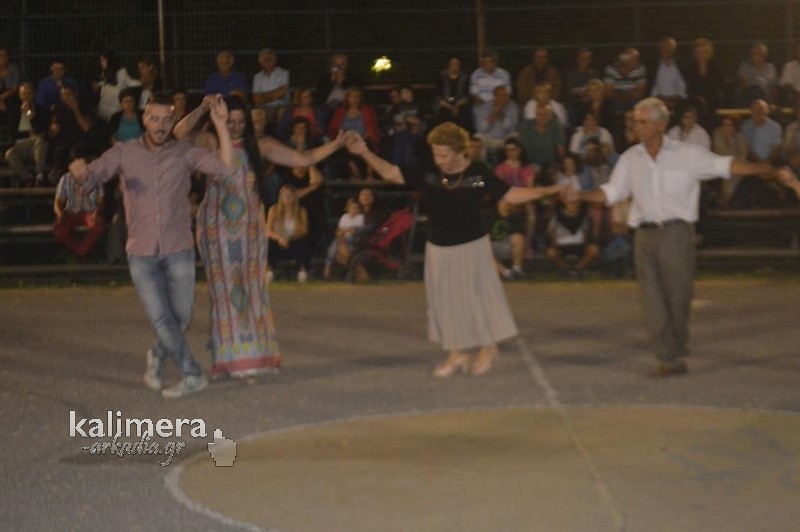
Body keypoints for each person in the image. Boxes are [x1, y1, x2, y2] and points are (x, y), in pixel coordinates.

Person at [577, 97, 796, 378]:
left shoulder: (687, 154)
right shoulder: (630, 158)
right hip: (644, 236)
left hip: (676, 234)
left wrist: (769, 170)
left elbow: (727, 165)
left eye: (642, 121)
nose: (635, 126)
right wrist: (581, 196)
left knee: (678, 297)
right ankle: (668, 358)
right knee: (652, 302)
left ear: (660, 125)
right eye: (634, 121)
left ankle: (677, 344)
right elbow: (612, 191)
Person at [346, 122, 563, 377]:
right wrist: (364, 152)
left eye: (444, 155)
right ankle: (457, 353)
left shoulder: (477, 174)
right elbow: (392, 173)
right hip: (439, 248)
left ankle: (488, 347)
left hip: (473, 245)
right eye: (436, 154)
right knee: (444, 303)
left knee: (479, 299)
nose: (439, 161)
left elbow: (511, 194)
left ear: (461, 151)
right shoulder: (428, 171)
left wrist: (548, 190)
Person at [68, 92, 235, 398]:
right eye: (154, 119)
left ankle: (157, 355)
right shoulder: (124, 151)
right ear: (144, 119)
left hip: (179, 248)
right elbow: (92, 178)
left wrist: (221, 124)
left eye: (166, 120)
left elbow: (225, 169)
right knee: (161, 318)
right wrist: (81, 174)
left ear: (174, 120)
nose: (160, 126)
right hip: (141, 253)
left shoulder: (185, 152)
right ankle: (191, 374)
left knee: (180, 317)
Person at [173, 96, 351, 375]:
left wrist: (336, 144)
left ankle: (256, 354)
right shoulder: (211, 141)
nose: (235, 127)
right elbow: (180, 132)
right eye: (230, 121)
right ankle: (229, 357)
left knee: (252, 287)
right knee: (225, 290)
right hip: (217, 227)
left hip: (251, 227)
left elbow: (302, 159)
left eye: (240, 122)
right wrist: (204, 108)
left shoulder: (260, 145)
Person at [53, 166, 106, 259]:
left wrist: (96, 212)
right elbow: (57, 203)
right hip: (70, 213)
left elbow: (101, 201)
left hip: (89, 213)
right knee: (59, 229)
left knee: (98, 226)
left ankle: (80, 252)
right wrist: (60, 215)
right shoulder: (66, 179)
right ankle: (80, 251)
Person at [265, 184, 312, 282]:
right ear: (281, 197)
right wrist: (280, 238)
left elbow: (304, 230)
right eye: (285, 195)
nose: (288, 198)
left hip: (294, 240)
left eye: (290, 195)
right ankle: (269, 270)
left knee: (304, 241)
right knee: (269, 243)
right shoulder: (273, 210)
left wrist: (289, 238)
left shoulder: (301, 211)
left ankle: (302, 271)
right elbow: (268, 231)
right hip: (278, 241)